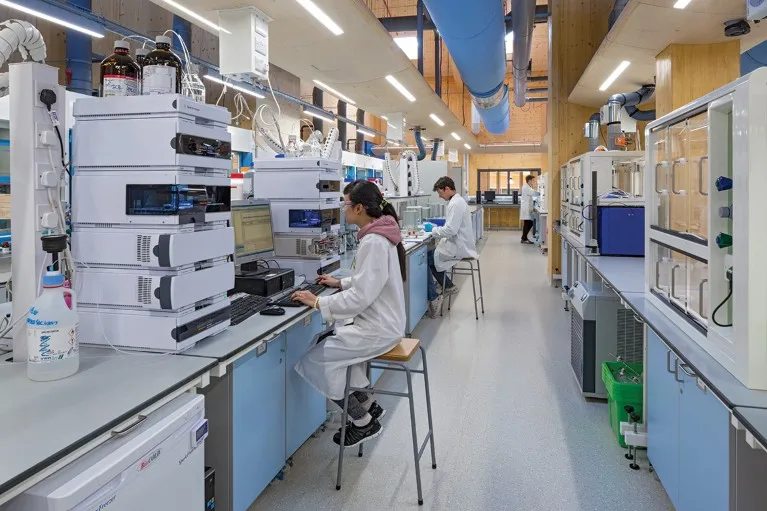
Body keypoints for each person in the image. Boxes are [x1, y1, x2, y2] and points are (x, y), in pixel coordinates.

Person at [291, 180, 407, 447]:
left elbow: (361, 298)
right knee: (327, 344)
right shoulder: (380, 234)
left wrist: (317, 303)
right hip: (384, 323)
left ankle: (362, 422)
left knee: (316, 360)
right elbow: (371, 280)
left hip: (379, 329)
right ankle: (369, 405)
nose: (342, 211)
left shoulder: (374, 241)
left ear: (359, 208)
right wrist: (340, 283)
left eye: (344, 205)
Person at [426, 176, 478, 317]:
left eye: (440, 192)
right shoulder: (456, 202)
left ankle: (437, 295)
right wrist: (437, 230)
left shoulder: (456, 204)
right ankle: (445, 285)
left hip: (459, 247)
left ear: (447, 189)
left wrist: (433, 231)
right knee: (431, 256)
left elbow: (451, 230)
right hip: (457, 244)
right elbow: (451, 227)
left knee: (427, 258)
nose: (440, 196)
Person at [520, 174, 537, 244]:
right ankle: (524, 238)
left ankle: (524, 238)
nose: (533, 182)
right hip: (526, 208)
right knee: (528, 223)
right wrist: (535, 187)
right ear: (529, 180)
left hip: (527, 208)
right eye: (533, 180)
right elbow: (534, 193)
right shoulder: (526, 187)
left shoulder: (527, 187)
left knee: (528, 223)